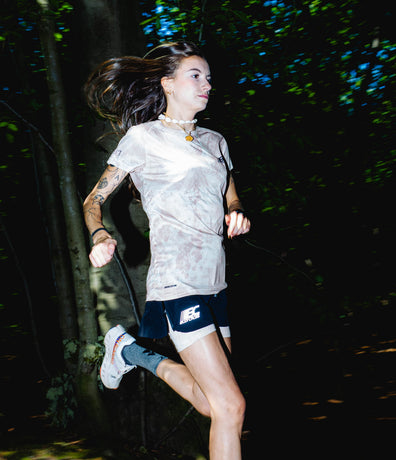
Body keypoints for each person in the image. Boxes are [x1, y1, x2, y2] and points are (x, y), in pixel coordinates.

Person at [83, 41, 250, 460]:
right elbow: (93, 200)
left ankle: (130, 351)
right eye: (195, 75)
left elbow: (230, 193)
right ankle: (129, 350)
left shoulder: (215, 141)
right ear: (168, 84)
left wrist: (236, 212)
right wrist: (100, 235)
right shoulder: (143, 138)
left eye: (209, 77)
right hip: (177, 283)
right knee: (232, 407)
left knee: (213, 403)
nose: (206, 84)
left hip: (215, 283)